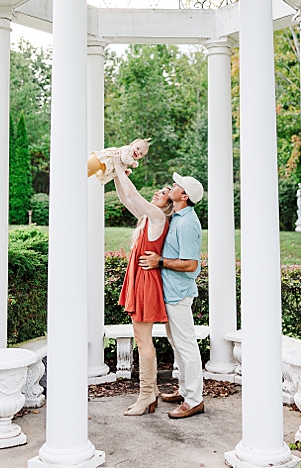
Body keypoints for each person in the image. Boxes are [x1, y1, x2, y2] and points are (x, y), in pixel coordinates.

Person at [139, 172, 205, 419]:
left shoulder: (187, 223)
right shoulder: (177, 217)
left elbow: (191, 264)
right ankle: (185, 390)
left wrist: (160, 262)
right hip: (171, 293)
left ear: (184, 196)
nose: (172, 186)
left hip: (178, 294)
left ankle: (194, 400)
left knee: (186, 346)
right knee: (178, 344)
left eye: (177, 186)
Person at [110, 157, 173, 416]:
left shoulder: (158, 216)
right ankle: (152, 392)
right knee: (141, 338)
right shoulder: (148, 218)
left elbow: (134, 193)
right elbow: (127, 198)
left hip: (146, 282)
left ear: (169, 204)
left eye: (165, 193)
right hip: (140, 278)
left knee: (142, 339)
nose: (159, 192)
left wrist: (116, 168)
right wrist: (116, 175)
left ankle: (146, 395)